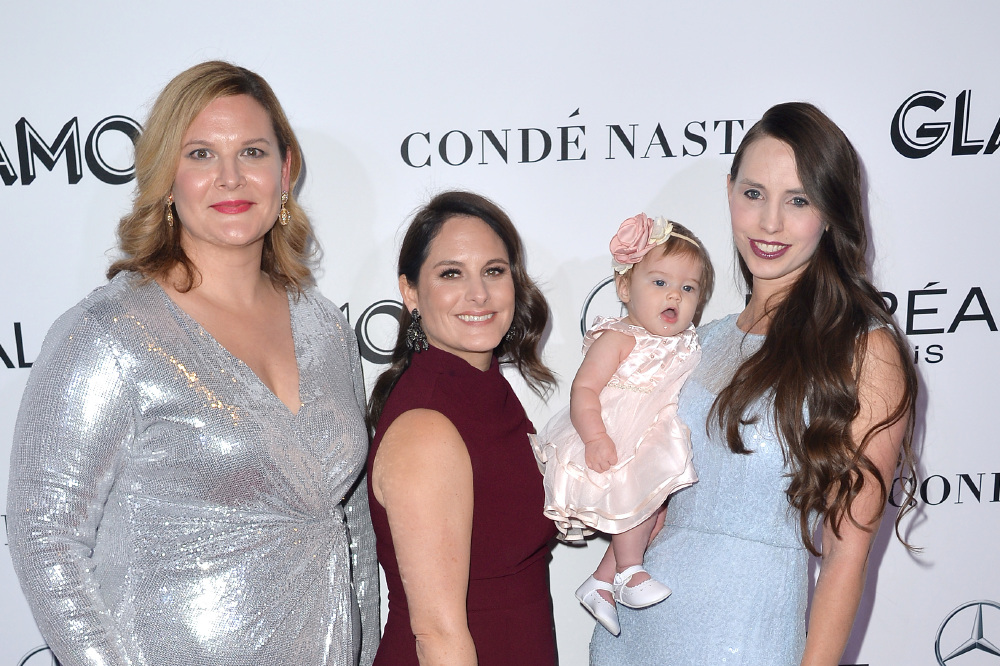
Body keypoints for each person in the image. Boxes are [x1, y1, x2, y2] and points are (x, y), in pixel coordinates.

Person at [6, 61, 378, 666]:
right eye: (201, 154)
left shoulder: (322, 325)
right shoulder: (111, 333)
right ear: (165, 177)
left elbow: (351, 520)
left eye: (252, 151)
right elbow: (46, 540)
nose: (230, 177)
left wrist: (369, 648)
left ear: (285, 171)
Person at [590, 102, 918, 664]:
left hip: (748, 638)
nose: (769, 223)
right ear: (728, 192)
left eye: (798, 200)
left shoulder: (865, 351)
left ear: (831, 212)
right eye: (753, 193)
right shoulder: (698, 341)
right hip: (632, 638)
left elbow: (846, 555)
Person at [366, 190, 557, 665]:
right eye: (451, 273)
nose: (479, 294)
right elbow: (437, 634)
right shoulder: (427, 422)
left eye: (494, 271)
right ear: (410, 292)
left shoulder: (487, 391)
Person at [532, 214, 714, 636]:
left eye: (688, 289)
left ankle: (600, 582)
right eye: (660, 283)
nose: (675, 296)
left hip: (657, 431)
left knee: (653, 511)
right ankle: (629, 572)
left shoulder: (687, 341)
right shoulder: (618, 338)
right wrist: (595, 437)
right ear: (624, 287)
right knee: (636, 498)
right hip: (618, 433)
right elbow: (584, 390)